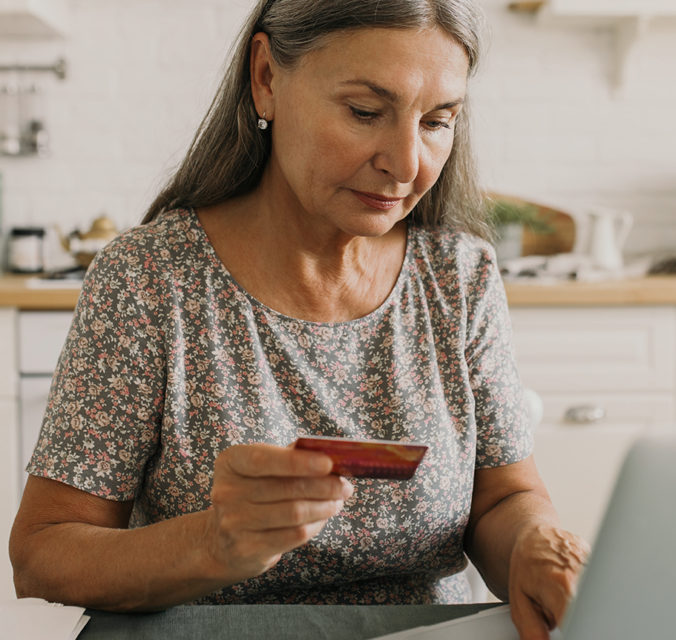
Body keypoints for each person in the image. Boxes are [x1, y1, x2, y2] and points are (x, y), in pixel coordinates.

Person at [8, 1, 589, 638]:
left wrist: (536, 542)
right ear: (267, 78)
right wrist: (212, 542)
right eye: (365, 112)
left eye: (437, 122)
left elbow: (502, 498)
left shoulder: (460, 277)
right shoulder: (149, 279)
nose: (406, 162)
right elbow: (43, 553)